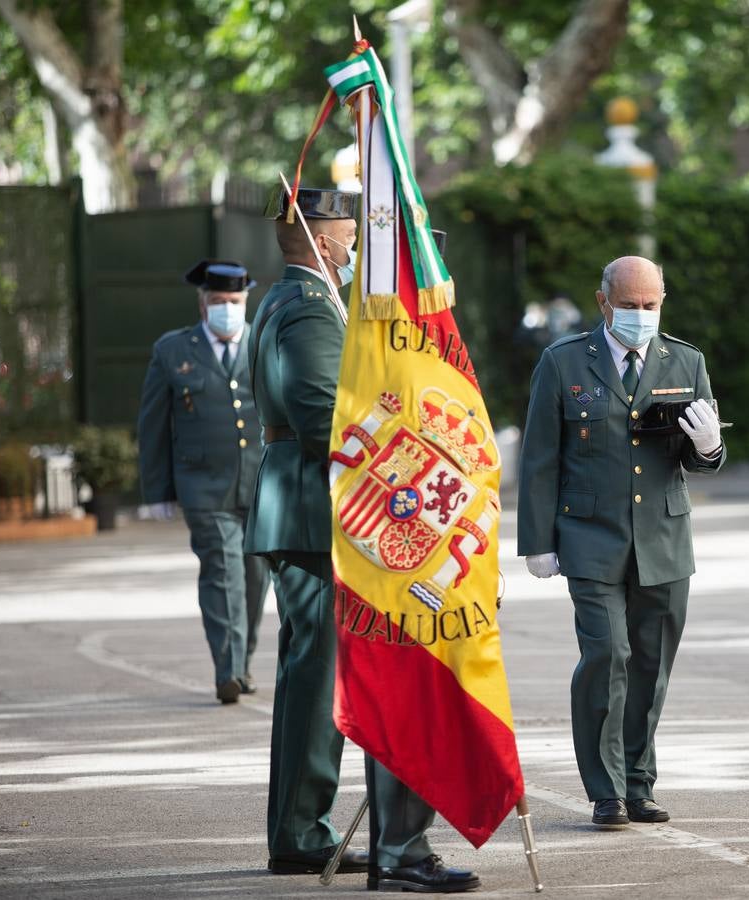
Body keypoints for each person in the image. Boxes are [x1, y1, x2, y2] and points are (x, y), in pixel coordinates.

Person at [245, 186, 479, 891]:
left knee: (310, 680)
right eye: (347, 240)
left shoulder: (295, 301)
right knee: (317, 682)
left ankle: (300, 832)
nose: (353, 253)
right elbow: (323, 418)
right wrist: (405, 469)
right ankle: (300, 832)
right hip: (315, 511)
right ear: (321, 241)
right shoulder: (311, 308)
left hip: (305, 508)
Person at [517, 255, 726, 828]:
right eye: (630, 306)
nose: (640, 315)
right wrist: (537, 539)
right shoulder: (563, 362)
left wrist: (708, 448)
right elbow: (539, 457)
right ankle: (605, 789)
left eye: (651, 306)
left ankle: (639, 782)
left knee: (651, 667)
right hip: (590, 536)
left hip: (662, 537)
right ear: (603, 302)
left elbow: (701, 456)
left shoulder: (686, 360)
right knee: (608, 655)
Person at [137, 259, 269, 704]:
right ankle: (227, 669)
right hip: (203, 487)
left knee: (255, 577)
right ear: (202, 304)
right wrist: (156, 491)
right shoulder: (173, 350)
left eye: (234, 302)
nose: (227, 309)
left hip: (262, 483)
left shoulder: (264, 342)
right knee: (221, 571)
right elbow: (153, 424)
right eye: (218, 302)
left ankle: (243, 661)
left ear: (245, 302)